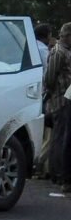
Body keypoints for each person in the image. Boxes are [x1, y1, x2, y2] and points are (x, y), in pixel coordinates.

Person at [44, 23, 71, 191]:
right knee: (60, 137)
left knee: (62, 136)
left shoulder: (65, 51)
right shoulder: (58, 52)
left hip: (65, 99)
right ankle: (57, 173)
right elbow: (49, 78)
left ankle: (59, 172)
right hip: (60, 99)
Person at [35, 24, 54, 179]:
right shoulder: (43, 51)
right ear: (46, 35)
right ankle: (40, 164)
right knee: (49, 131)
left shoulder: (30, 47)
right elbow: (49, 73)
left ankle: (43, 166)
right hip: (45, 94)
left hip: (33, 93)